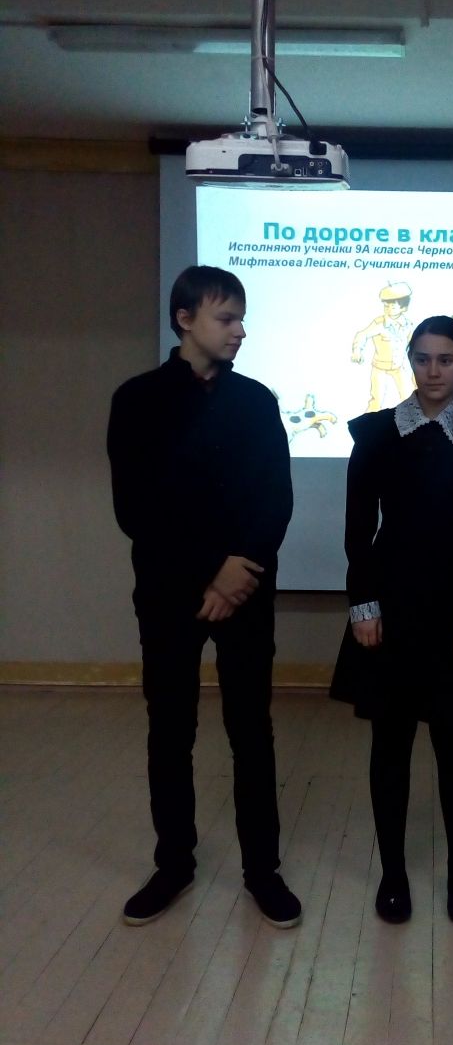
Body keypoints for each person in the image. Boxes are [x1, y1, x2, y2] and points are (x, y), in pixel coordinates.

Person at [107, 265, 300, 928]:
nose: (239, 330)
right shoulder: (137, 400)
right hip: (168, 591)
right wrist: (210, 575)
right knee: (170, 728)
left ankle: (263, 870)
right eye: (226, 318)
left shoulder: (256, 401)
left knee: (252, 729)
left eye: (242, 318)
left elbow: (275, 496)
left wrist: (240, 570)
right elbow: (135, 507)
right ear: (184, 319)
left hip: (247, 590)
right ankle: (173, 864)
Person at [331, 315, 453, 925]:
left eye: (446, 359)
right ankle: (393, 875)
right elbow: (358, 530)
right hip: (391, 611)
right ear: (410, 360)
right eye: (423, 358)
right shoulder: (376, 434)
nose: (433, 371)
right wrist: (363, 605)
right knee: (390, 744)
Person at [350, 282, 414, 412]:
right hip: (379, 368)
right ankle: (368, 421)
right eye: (386, 306)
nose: (389, 309)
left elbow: (414, 343)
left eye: (393, 306)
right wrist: (357, 351)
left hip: (398, 367)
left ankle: (415, 421)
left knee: (409, 396)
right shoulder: (379, 324)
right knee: (376, 399)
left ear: (403, 308)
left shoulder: (408, 325)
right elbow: (362, 335)